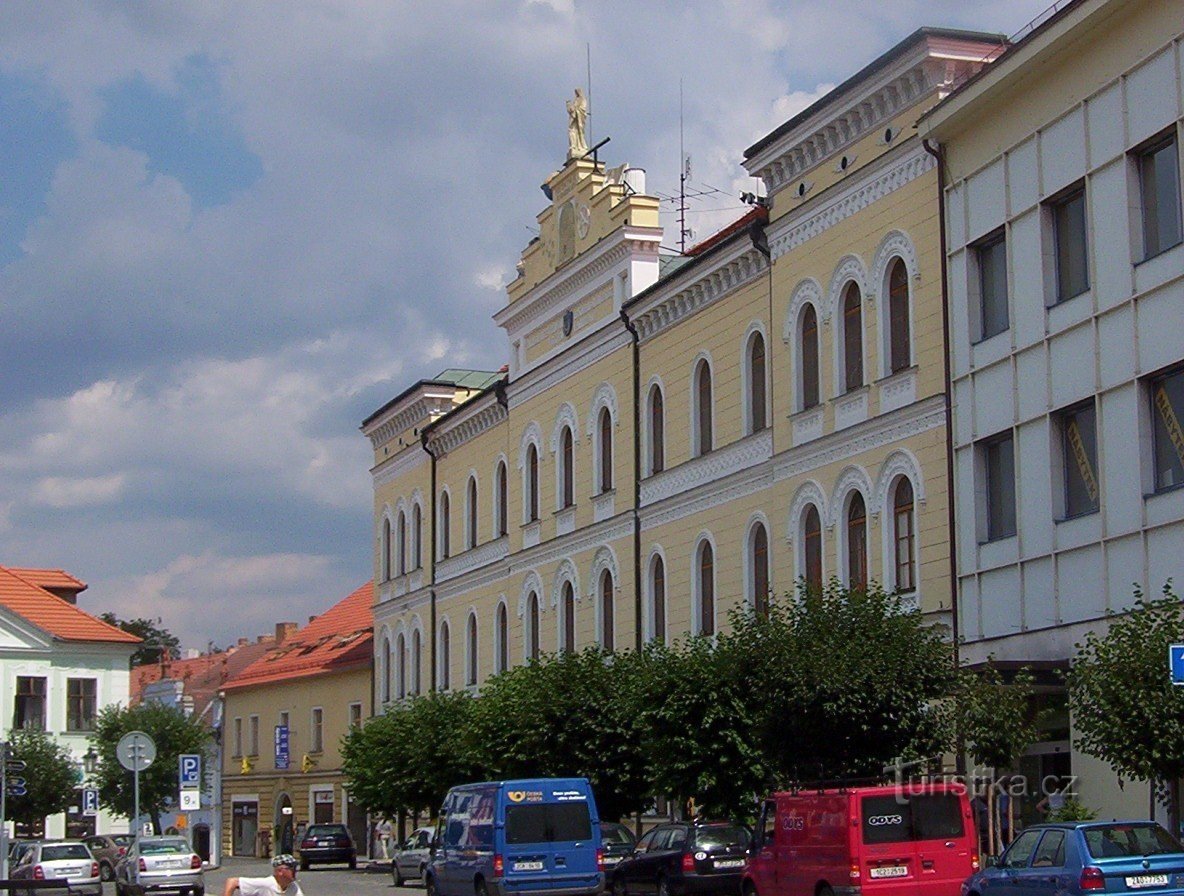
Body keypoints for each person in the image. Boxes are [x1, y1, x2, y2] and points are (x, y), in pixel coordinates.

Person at [222, 853, 302, 896]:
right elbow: (232, 882)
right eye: (292, 868)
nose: (295, 871)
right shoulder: (266, 884)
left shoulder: (293, 886)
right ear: (280, 871)